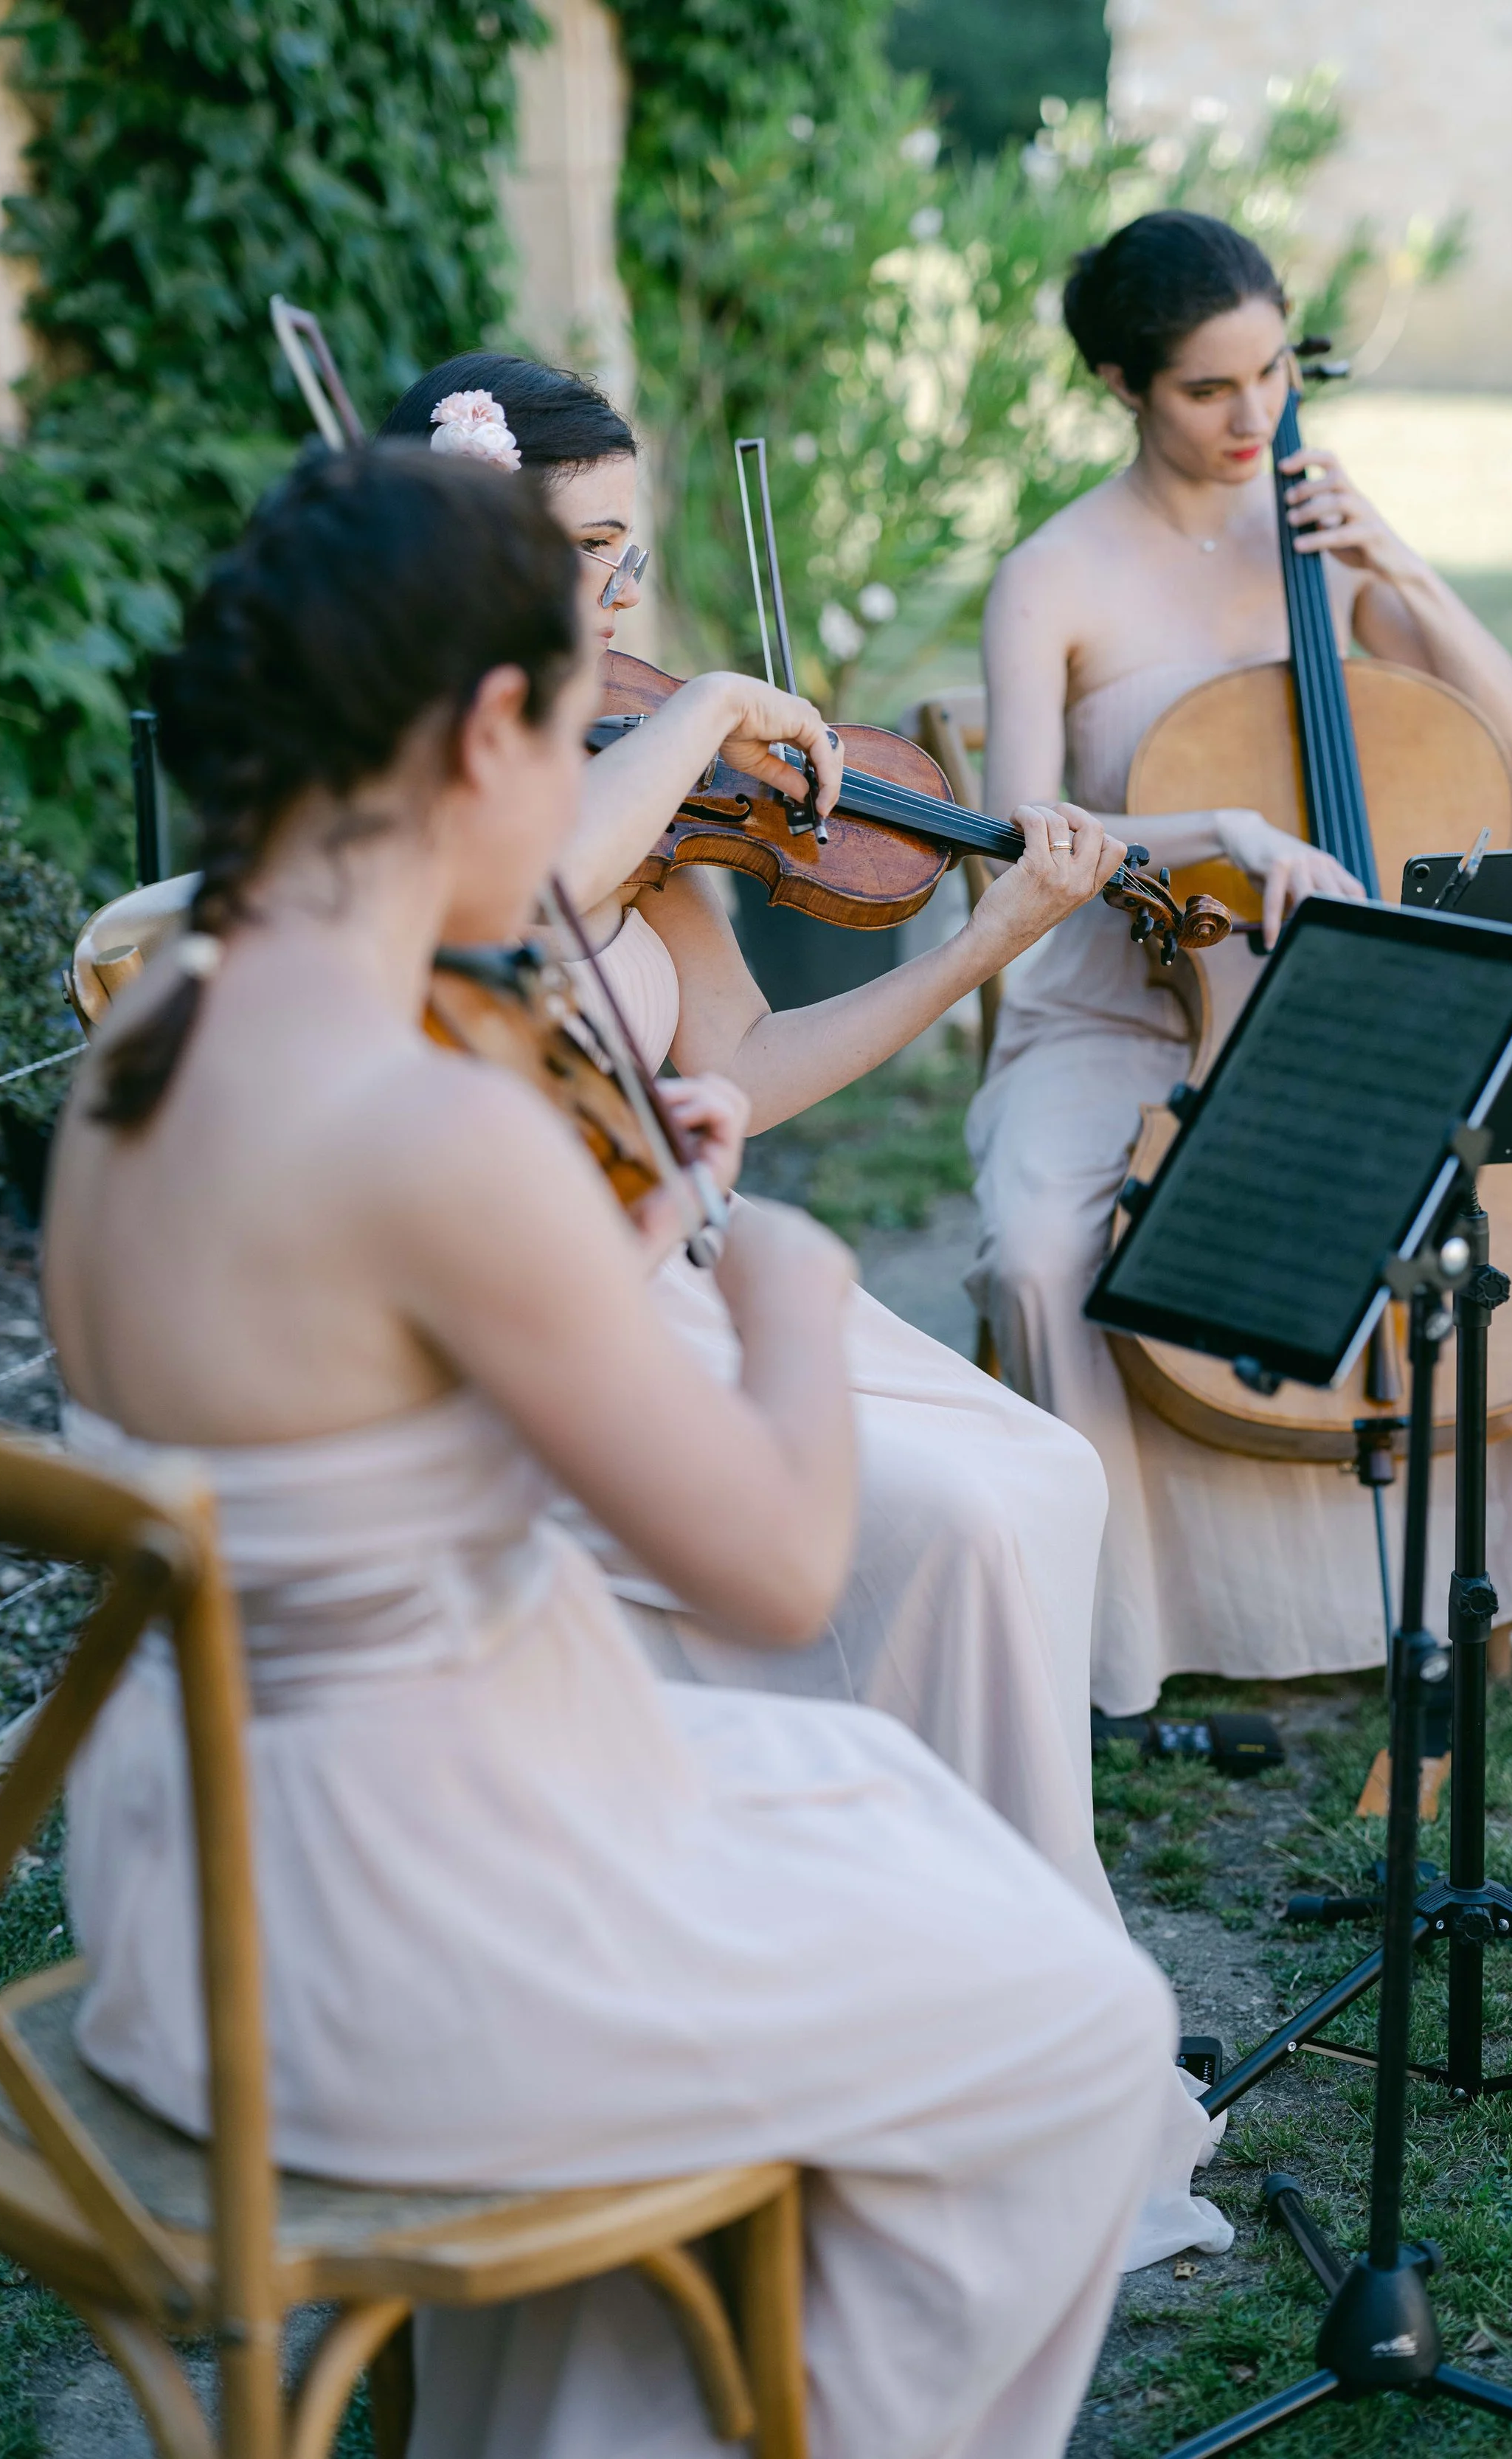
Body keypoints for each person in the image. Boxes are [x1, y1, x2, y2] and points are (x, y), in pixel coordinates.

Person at [43, 448, 1225, 2459]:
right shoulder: (430, 1118)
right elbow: (774, 1566)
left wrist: (595, 1211)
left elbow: (355, 1401)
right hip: (379, 1951)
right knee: (1088, 2034)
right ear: (498, 729)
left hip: (188, 1878)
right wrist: (776, 1268)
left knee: (860, 1776)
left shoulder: (153, 1032)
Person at [380, 356, 1139, 1915]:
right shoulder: (413, 774)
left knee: (1045, 1472)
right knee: (965, 1520)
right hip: (519, 1313)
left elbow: (747, 1058)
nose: (613, 595)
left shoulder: (635, 784)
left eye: (623, 550)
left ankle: (992, 1915)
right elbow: (516, 899)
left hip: (668, 1260)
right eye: (573, 551)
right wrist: (716, 704)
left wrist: (979, 942)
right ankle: (940, 1926)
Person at [966, 210, 1512, 1715]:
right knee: (1035, 1259)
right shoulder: (1051, 577)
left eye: (1268, 373)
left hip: (1353, 990)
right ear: (1121, 383)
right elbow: (1020, 838)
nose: (1252, 418)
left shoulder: (1318, 534)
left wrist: (1402, 567)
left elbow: (1511, 740)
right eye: (1204, 389)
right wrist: (1214, 825)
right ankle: (1118, 1637)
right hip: (1135, 1003)